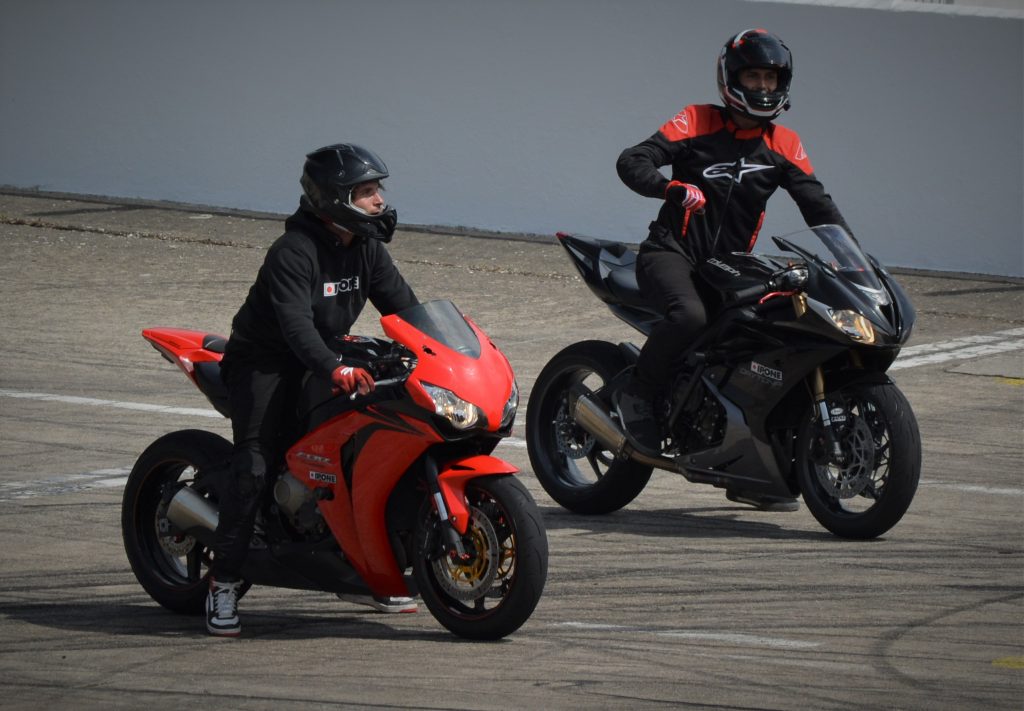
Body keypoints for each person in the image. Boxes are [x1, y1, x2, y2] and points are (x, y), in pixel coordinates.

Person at [614, 28, 851, 509]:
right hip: (671, 253)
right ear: (731, 78)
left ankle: (750, 460)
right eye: (753, 76)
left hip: (730, 265)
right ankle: (638, 393)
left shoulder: (783, 142)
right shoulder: (697, 119)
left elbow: (818, 206)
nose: (763, 86)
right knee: (689, 318)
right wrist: (670, 189)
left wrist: (850, 261)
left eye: (770, 77)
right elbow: (633, 160)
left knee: (774, 333)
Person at [206, 143, 421, 637]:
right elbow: (296, 328)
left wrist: (441, 348)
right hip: (267, 361)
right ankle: (224, 578)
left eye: (378, 189)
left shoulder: (366, 247)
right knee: (254, 466)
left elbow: (405, 310)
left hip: (327, 355)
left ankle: (350, 567)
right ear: (335, 199)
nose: (379, 200)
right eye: (366, 192)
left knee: (367, 443)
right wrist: (335, 369)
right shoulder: (293, 251)